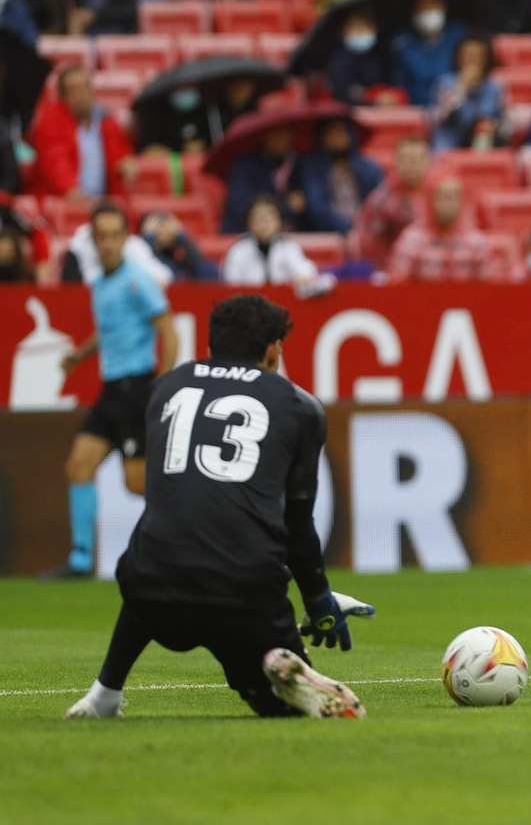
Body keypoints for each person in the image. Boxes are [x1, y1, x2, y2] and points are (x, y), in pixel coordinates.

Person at [61, 294, 370, 720]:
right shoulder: (301, 407)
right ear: (272, 349)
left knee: (160, 544)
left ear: (210, 347)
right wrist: (318, 601)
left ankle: (105, 692)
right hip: (244, 591)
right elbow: (297, 523)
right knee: (278, 708)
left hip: (153, 588)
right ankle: (269, 668)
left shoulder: (163, 388)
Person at [40, 205, 177, 580]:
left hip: (137, 390)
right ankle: (82, 560)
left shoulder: (138, 280)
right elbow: (108, 330)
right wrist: (79, 357)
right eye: (102, 236)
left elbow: (168, 330)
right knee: (78, 466)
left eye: (116, 235)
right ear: (93, 240)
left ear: (125, 239)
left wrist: (163, 385)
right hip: (111, 391)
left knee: (137, 484)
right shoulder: (100, 283)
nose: (109, 243)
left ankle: (190, 536)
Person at [28, 67, 135, 204]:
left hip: (102, 200)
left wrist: (126, 161)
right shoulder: (51, 120)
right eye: (74, 90)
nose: (82, 94)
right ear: (64, 96)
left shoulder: (105, 119)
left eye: (85, 88)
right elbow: (54, 158)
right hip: (63, 201)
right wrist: (69, 189)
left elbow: (119, 150)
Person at [387, 177, 494, 281]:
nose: (446, 203)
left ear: (462, 203)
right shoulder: (411, 241)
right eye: (441, 197)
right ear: (430, 201)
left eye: (452, 197)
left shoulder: (476, 244)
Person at [352, 135, 430, 264]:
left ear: (429, 162)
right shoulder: (381, 202)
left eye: (418, 159)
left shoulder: (439, 196)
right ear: (396, 162)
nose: (413, 164)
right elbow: (368, 246)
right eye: (407, 159)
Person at [298, 119, 383, 232]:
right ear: (322, 137)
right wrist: (349, 229)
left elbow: (379, 202)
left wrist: (363, 227)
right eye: (331, 132)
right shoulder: (312, 168)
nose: (336, 137)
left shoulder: (369, 168)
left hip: (366, 230)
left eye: (340, 132)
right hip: (327, 233)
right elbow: (318, 208)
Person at [222, 196, 324, 289]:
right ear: (249, 222)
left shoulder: (288, 247)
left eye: (269, 216)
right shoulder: (239, 250)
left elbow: (305, 270)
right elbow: (230, 283)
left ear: (279, 221)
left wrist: (304, 278)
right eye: (257, 217)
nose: (264, 221)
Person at [391, 0, 466, 108]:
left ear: (444, 7)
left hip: (457, 106)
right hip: (417, 108)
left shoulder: (460, 34)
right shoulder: (401, 43)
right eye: (423, 6)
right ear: (413, 13)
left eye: (433, 4)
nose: (429, 10)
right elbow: (398, 86)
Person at [221, 126, 302, 234]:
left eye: (284, 134)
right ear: (264, 136)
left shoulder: (298, 162)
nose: (280, 139)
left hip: (291, 237)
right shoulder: (244, 165)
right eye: (275, 134)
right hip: (245, 236)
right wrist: (286, 206)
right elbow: (239, 207)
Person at [430, 35, 505, 152]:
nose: (472, 61)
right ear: (458, 58)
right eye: (467, 56)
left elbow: (503, 124)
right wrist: (461, 89)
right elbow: (444, 118)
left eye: (477, 56)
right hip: (448, 146)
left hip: (483, 146)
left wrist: (493, 125)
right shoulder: (444, 83)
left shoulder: (494, 87)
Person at [325, 11, 390, 107]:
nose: (360, 32)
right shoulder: (339, 59)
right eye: (355, 28)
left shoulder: (380, 56)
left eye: (365, 27)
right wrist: (371, 98)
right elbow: (341, 92)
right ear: (343, 31)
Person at [141, 211, 217, 281]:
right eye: (158, 226)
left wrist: (181, 236)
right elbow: (168, 275)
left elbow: (203, 268)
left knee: (207, 268)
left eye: (166, 223)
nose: (164, 230)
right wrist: (149, 239)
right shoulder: (140, 252)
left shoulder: (179, 250)